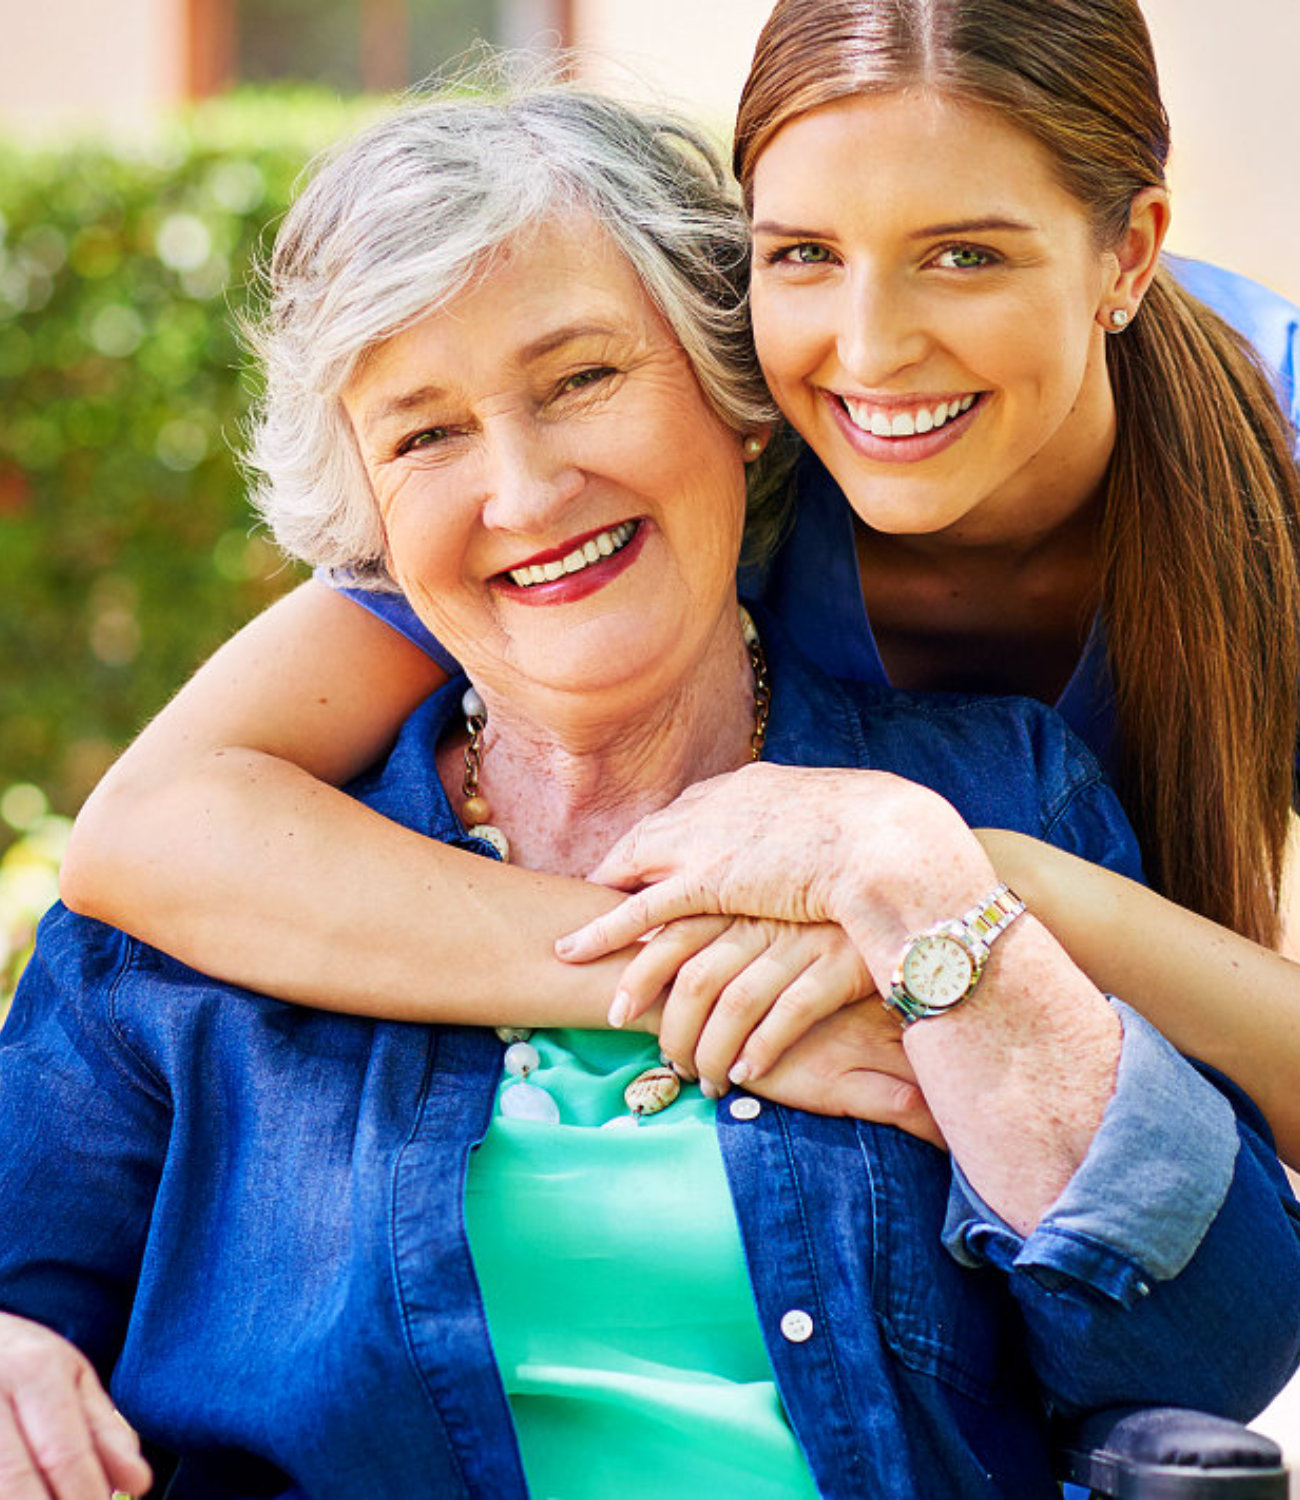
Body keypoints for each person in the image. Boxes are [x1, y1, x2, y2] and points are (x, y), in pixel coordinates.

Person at [2, 86, 1299, 1500]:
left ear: (738, 402)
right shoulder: (211, 906)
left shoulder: (987, 796)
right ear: (366, 519)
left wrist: (935, 902)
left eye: (583, 380)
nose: (526, 488)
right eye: (424, 436)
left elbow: (1214, 1350)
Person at [55, 0, 1300, 1160]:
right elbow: (150, 828)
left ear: (1128, 255)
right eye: (804, 252)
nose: (867, 349)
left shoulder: (1274, 460)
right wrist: (657, 981)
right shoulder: (702, 469)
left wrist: (963, 882)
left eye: (965, 255)